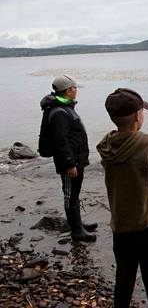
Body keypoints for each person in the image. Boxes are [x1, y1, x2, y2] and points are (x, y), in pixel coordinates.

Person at [96, 88, 148, 308]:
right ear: (137, 116)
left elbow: (131, 178)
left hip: (121, 227)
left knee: (124, 278)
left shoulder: (107, 145)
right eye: (142, 110)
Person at [40, 74, 97, 242]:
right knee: (70, 195)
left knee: (75, 193)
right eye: (74, 88)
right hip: (70, 163)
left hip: (76, 159)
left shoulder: (64, 106)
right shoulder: (58, 112)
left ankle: (78, 224)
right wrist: (70, 164)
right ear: (68, 90)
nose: (76, 90)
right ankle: (77, 231)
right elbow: (60, 141)